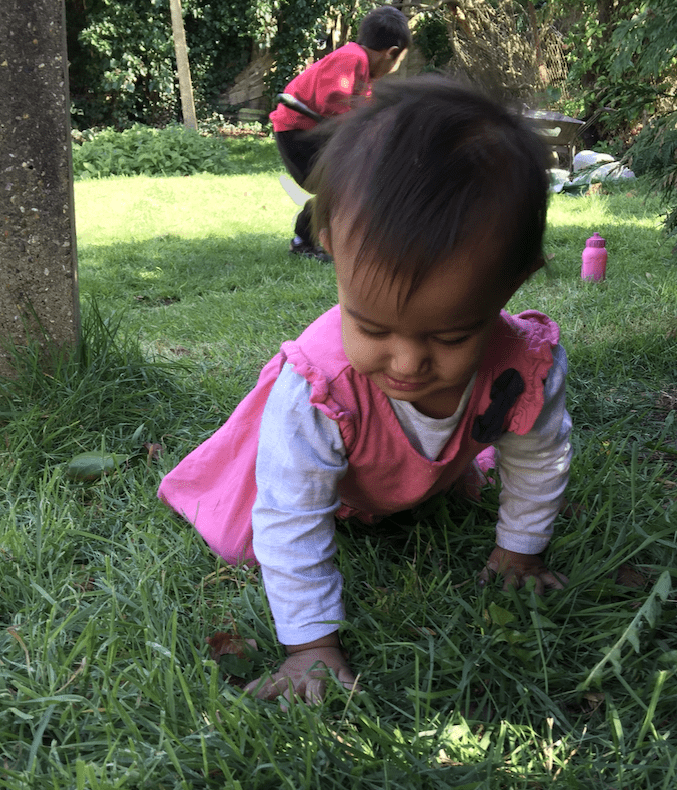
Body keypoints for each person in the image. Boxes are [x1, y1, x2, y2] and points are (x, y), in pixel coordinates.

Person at [159, 76, 573, 705]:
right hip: (319, 472)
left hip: (401, 471)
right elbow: (292, 516)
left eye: (452, 335)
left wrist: (520, 552)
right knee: (260, 520)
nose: (406, 362)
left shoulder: (525, 366)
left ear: (513, 284)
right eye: (372, 325)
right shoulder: (319, 390)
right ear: (331, 251)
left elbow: (540, 456)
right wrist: (311, 646)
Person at [270, 4, 411, 261]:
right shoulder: (352, 58)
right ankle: (304, 241)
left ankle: (316, 239)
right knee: (341, 188)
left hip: (311, 131)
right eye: (399, 62)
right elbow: (333, 99)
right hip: (298, 131)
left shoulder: (362, 70)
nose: (395, 68)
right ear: (391, 53)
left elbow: (363, 113)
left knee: (347, 187)